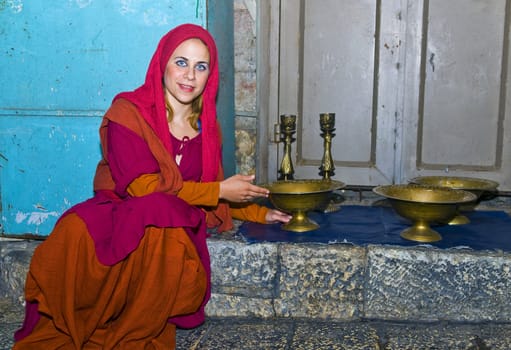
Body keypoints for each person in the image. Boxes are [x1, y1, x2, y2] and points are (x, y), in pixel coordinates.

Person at [13, 23, 291, 349]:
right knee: (137, 214)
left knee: (167, 215)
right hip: (118, 211)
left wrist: (259, 213)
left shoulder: (207, 127)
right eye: (181, 62)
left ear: (210, 75)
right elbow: (144, 188)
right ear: (162, 64)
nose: (189, 75)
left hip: (169, 223)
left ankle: (137, 323)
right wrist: (218, 191)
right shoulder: (127, 113)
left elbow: (211, 189)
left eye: (201, 66)